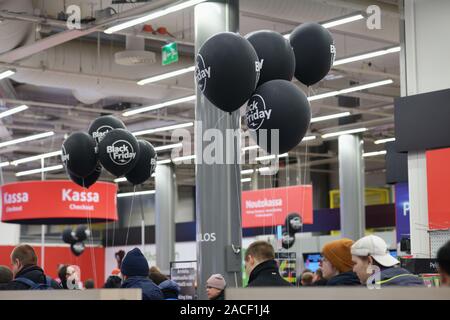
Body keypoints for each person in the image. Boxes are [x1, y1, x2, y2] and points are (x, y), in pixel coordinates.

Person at [351, 235, 424, 287]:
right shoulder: (417, 282)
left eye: (355, 263)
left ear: (370, 261)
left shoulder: (371, 292)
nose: (353, 269)